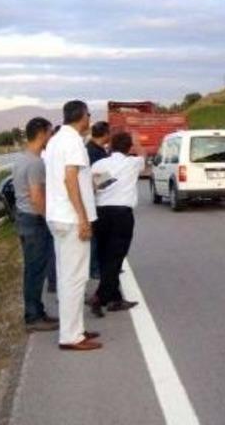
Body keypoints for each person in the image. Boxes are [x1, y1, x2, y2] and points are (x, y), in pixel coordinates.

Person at [45, 100, 101, 351]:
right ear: (82, 116)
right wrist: (82, 218)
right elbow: (70, 180)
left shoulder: (56, 139)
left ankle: (74, 329)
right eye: (89, 114)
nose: (90, 119)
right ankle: (70, 336)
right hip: (70, 217)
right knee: (75, 278)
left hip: (58, 216)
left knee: (68, 275)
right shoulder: (74, 141)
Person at [88, 133, 144, 317]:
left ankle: (114, 299)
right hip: (121, 214)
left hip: (101, 213)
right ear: (129, 147)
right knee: (116, 256)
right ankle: (100, 296)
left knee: (105, 256)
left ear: (110, 146)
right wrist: (137, 144)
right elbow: (143, 155)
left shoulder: (99, 164)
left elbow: (95, 186)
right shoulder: (133, 163)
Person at [13, 117, 58, 332]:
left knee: (32, 269)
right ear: (41, 133)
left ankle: (37, 312)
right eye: (50, 132)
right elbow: (37, 197)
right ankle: (33, 317)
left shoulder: (22, 158)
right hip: (34, 220)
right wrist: (49, 219)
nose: (51, 137)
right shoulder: (35, 162)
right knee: (35, 270)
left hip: (24, 218)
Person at [86, 121, 109, 280]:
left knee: (101, 236)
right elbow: (96, 177)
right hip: (94, 199)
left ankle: (101, 266)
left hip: (98, 198)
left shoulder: (97, 149)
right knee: (95, 237)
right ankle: (94, 268)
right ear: (105, 134)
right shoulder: (93, 152)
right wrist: (110, 180)